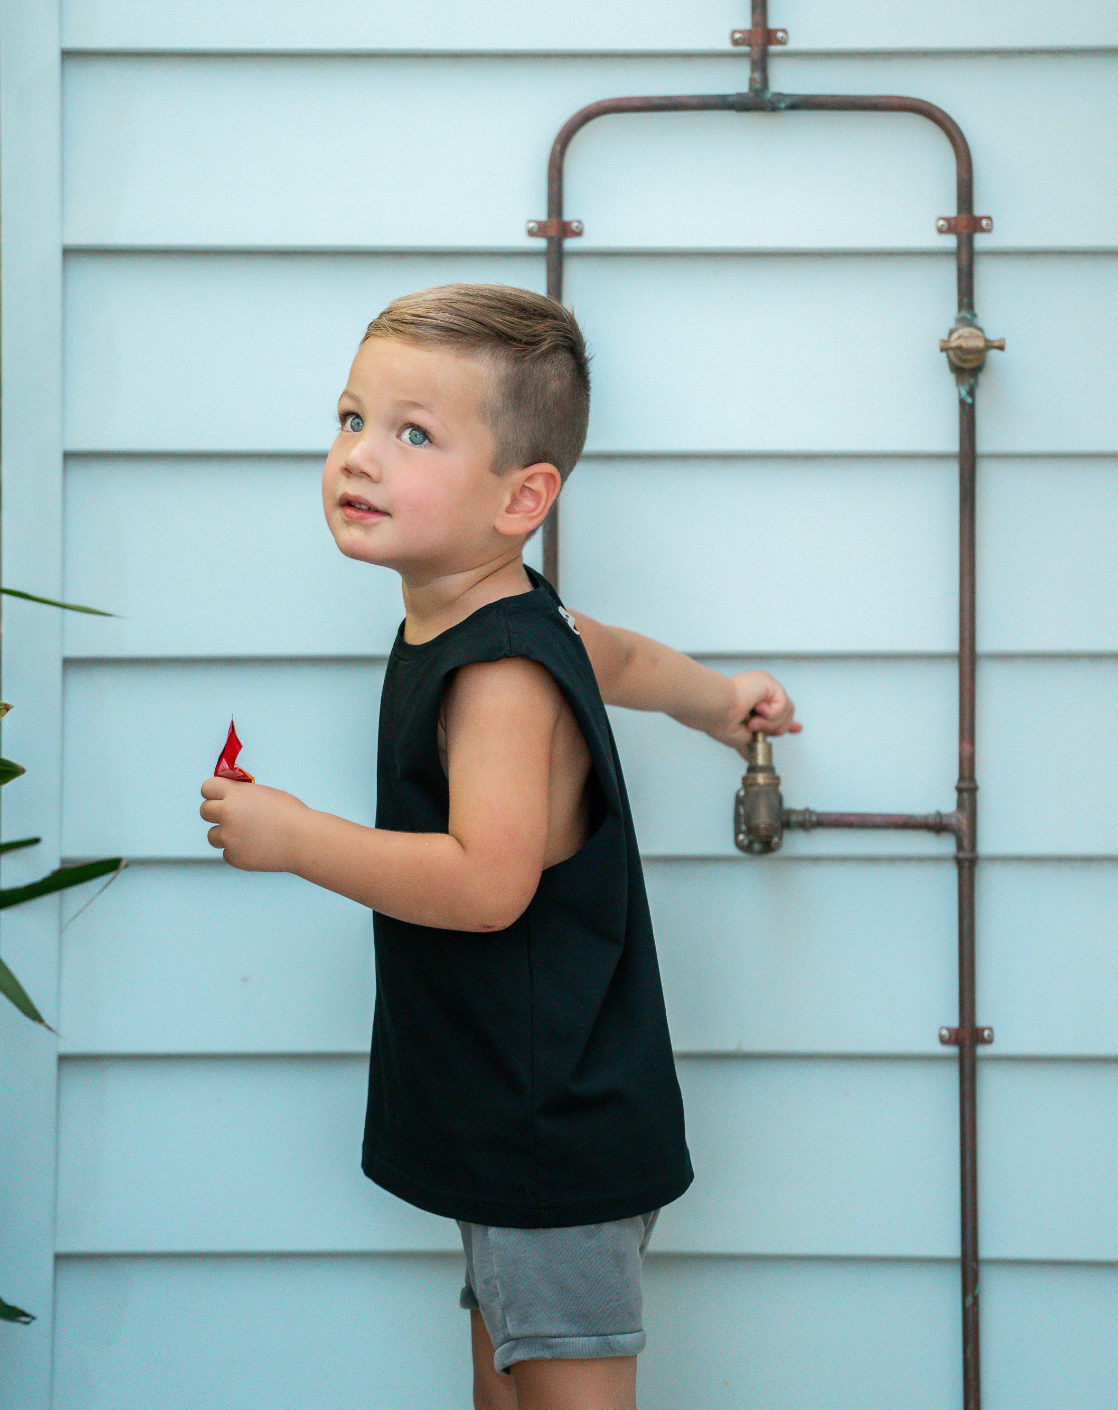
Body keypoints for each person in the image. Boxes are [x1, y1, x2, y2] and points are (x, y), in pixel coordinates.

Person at [199, 283, 800, 1410]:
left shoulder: (497, 674)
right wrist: (719, 702)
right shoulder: (514, 615)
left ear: (520, 496)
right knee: (505, 1389)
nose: (360, 457)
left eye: (412, 433)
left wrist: (300, 840)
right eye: (349, 419)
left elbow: (485, 886)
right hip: (513, 1109)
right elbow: (622, 659)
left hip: (550, 1132)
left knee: (564, 1396)